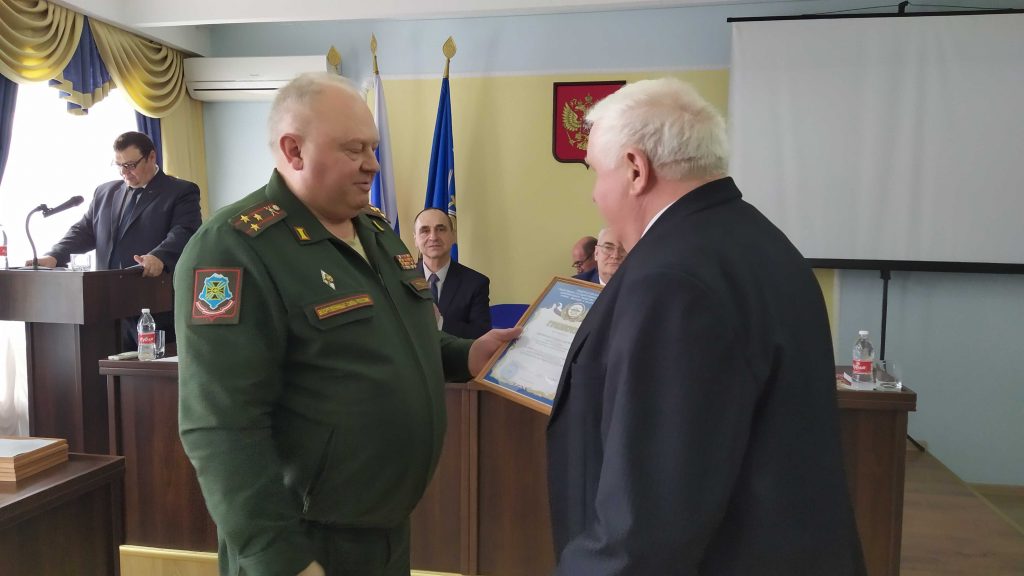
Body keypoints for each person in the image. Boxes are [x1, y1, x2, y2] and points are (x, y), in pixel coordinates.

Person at [175, 72, 517, 576]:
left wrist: (465, 354)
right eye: (354, 149)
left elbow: (399, 335)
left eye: (373, 148)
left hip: (385, 528)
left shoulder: (373, 228)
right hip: (308, 542)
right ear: (294, 150)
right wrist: (278, 557)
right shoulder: (234, 248)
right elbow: (220, 424)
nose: (372, 164)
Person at [546, 78, 866, 575]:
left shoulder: (672, 281)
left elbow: (647, 522)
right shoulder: (759, 241)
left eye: (595, 172)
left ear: (635, 169)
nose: (594, 195)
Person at [33, 131, 202, 343]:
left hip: (154, 304)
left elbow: (185, 231)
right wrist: (55, 256)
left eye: (130, 165)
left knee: (149, 364)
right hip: (107, 307)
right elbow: (84, 231)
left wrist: (159, 256)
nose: (124, 172)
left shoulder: (180, 191)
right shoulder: (105, 192)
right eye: (119, 165)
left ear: (151, 157)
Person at [414, 207, 491, 339]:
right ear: (415, 239)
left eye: (440, 229)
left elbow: (481, 336)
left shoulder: (476, 283)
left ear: (453, 236)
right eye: (425, 231)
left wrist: (440, 323)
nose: (433, 237)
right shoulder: (400, 280)